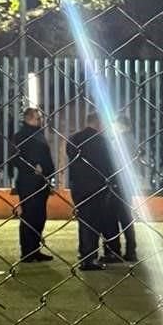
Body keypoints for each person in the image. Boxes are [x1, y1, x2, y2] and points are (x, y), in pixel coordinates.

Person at [67, 113, 114, 271]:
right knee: (94, 222)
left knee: (84, 221)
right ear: (98, 122)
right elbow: (108, 165)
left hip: (78, 186)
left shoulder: (73, 139)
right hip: (96, 186)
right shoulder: (102, 141)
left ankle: (84, 253)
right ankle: (89, 258)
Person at [10, 108, 55, 263]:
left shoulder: (38, 134)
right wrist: (32, 167)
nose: (41, 120)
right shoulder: (20, 135)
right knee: (29, 216)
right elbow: (14, 159)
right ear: (30, 118)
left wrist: (49, 175)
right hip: (28, 182)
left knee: (40, 217)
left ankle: (35, 249)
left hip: (41, 182)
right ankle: (27, 252)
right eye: (38, 117)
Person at [104, 116, 138, 263]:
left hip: (118, 183)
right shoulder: (130, 140)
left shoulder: (121, 141)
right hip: (125, 184)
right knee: (125, 218)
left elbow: (114, 162)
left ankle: (114, 251)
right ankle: (130, 250)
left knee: (113, 217)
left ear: (121, 125)